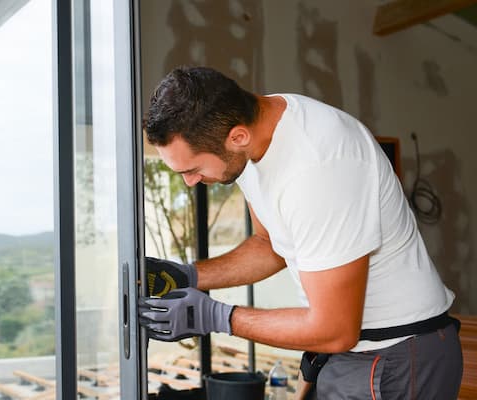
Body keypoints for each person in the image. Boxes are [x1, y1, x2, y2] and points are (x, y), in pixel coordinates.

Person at [138, 66, 462, 399]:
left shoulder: (319, 166)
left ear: (237, 137)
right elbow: (270, 245)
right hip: (347, 352)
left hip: (396, 357)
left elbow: (335, 329)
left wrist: (215, 316)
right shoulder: (252, 143)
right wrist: (187, 276)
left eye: (192, 169)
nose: (189, 182)